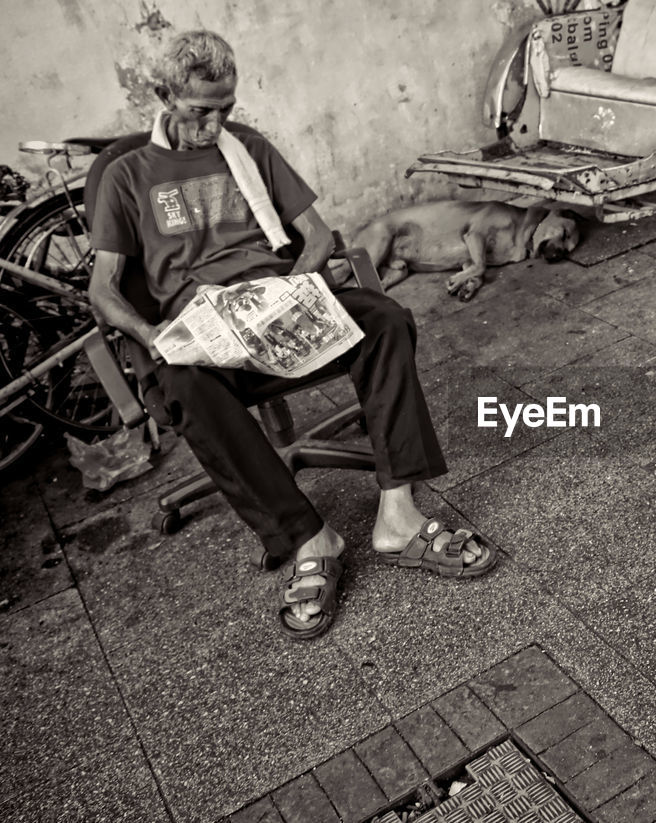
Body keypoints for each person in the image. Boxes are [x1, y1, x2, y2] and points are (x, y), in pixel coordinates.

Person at [88, 30, 496, 640]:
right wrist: (150, 334)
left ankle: (399, 517)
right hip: (205, 332)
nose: (215, 122)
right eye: (201, 110)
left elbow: (317, 236)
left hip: (277, 307)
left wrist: (290, 293)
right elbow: (102, 291)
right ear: (164, 95)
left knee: (385, 320)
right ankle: (310, 537)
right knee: (179, 383)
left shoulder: (247, 147)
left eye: (226, 106)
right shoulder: (127, 176)